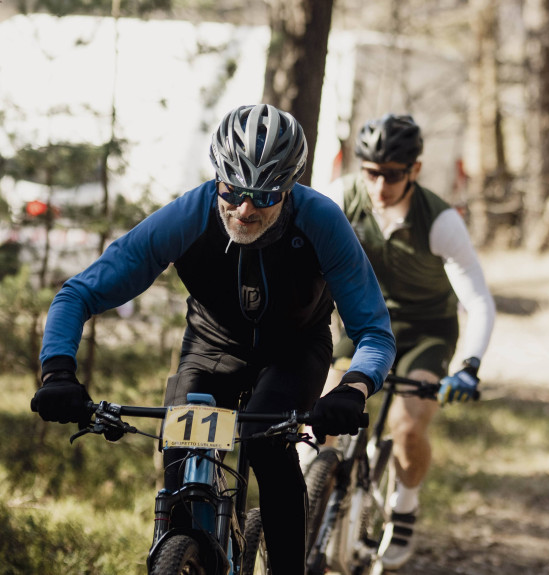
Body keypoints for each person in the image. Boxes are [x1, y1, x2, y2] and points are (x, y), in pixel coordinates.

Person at [29, 103, 397, 574]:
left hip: (295, 352)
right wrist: (58, 371)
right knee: (182, 463)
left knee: (266, 444)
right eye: (234, 190)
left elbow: (373, 330)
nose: (245, 209)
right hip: (212, 348)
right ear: (217, 176)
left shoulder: (321, 221)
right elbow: (78, 293)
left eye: (265, 196)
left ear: (289, 188)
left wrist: (354, 386)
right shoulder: (189, 215)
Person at [323, 113, 495, 570]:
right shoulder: (340, 199)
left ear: (415, 171)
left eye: (393, 175)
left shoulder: (440, 222)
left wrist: (469, 365)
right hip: (361, 325)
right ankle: (315, 489)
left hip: (426, 331)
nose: (380, 186)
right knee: (321, 411)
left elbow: (478, 300)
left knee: (407, 425)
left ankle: (404, 509)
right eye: (371, 173)